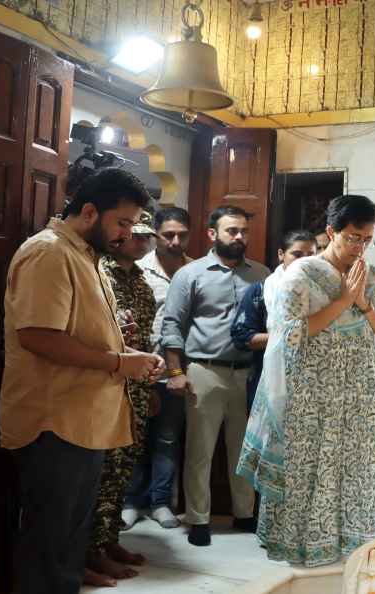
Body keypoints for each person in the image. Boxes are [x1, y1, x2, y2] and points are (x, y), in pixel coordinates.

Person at [0, 168, 164, 594]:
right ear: (90, 211)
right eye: (122, 223)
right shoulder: (49, 252)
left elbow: (79, 332)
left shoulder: (84, 255)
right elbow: (37, 336)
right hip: (54, 420)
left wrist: (126, 353)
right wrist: (117, 362)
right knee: (49, 544)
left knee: (69, 541)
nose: (128, 235)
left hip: (83, 420)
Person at [238, 194, 375, 567]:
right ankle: (307, 556)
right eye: (353, 237)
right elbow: (292, 335)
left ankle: (358, 553)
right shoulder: (301, 274)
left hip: (362, 390)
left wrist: (363, 302)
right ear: (331, 231)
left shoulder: (374, 278)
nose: (360, 246)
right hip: (312, 392)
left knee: (361, 470)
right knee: (311, 471)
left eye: (367, 239)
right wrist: (344, 298)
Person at [160, 205, 270, 547]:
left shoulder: (262, 275)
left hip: (248, 375)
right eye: (231, 231)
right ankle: (198, 519)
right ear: (213, 234)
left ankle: (244, 513)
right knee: (200, 451)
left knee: (244, 450)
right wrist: (175, 371)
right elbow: (172, 324)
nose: (239, 237)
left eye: (243, 231)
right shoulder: (190, 274)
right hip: (203, 372)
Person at [84, 211, 160, 587]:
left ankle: (110, 540)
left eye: (148, 236)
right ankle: (91, 549)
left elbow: (144, 338)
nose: (143, 241)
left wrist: (150, 387)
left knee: (123, 470)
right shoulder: (102, 274)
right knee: (104, 471)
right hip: (108, 383)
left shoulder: (141, 281)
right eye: (136, 234)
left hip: (138, 386)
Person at [125, 206, 193, 530]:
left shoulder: (195, 271)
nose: (175, 241)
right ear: (157, 236)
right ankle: (132, 501)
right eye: (168, 235)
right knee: (136, 436)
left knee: (167, 438)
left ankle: (160, 501)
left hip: (178, 368)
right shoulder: (138, 270)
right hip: (138, 365)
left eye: (181, 235)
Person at [231, 230, 317, 410]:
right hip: (267, 377)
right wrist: (289, 336)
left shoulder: (324, 292)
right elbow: (241, 337)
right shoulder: (261, 291)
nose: (304, 260)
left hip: (314, 381)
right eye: (297, 254)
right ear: (281, 255)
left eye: (311, 255)